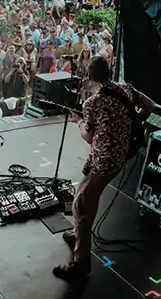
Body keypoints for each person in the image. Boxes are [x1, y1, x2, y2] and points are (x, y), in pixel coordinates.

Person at [54, 56, 154, 283]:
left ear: (89, 77)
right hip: (122, 155)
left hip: (104, 162)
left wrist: (78, 121)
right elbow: (150, 106)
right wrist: (134, 122)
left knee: (81, 204)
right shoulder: (125, 88)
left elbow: (89, 136)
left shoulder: (93, 103)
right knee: (85, 194)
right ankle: (79, 234)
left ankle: (80, 266)